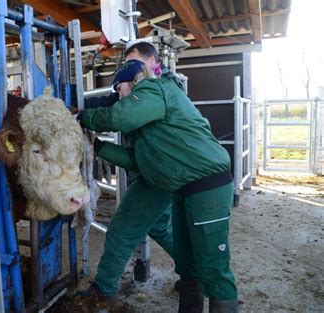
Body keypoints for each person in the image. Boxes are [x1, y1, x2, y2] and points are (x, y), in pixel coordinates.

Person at [77, 59, 238, 313]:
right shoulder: (145, 121)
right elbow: (136, 160)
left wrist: (82, 117)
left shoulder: (152, 89)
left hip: (206, 187)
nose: (118, 96)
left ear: (133, 82)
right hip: (182, 189)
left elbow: (120, 116)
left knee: (214, 269)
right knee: (188, 265)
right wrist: (99, 147)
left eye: (119, 89)